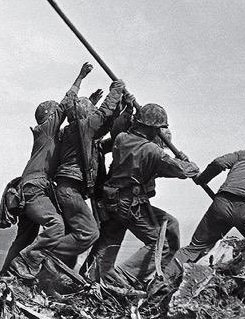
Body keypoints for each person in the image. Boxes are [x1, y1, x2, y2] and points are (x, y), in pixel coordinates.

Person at [85, 103, 200, 285]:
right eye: (158, 129)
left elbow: (147, 164)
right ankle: (124, 277)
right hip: (130, 204)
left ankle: (92, 278)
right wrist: (189, 164)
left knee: (109, 244)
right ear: (153, 128)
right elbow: (181, 171)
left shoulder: (121, 139)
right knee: (164, 243)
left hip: (111, 201)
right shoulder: (152, 151)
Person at [0, 63, 93, 276]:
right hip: (35, 189)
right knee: (56, 225)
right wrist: (80, 78)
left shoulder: (48, 137)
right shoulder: (46, 130)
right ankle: (26, 265)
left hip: (28, 189)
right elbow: (66, 103)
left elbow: (73, 118)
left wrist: (87, 107)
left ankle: (4, 276)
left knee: (24, 238)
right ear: (50, 117)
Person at [163, 145, 245, 281]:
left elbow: (218, 163)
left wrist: (202, 179)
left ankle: (163, 280)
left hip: (220, 206)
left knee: (193, 248)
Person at [49, 78, 127, 268]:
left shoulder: (79, 133)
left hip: (69, 190)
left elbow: (106, 124)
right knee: (89, 233)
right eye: (91, 111)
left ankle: (53, 276)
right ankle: (41, 254)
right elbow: (104, 113)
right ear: (85, 114)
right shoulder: (82, 127)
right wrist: (116, 90)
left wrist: (124, 109)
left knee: (73, 236)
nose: (95, 113)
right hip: (70, 190)